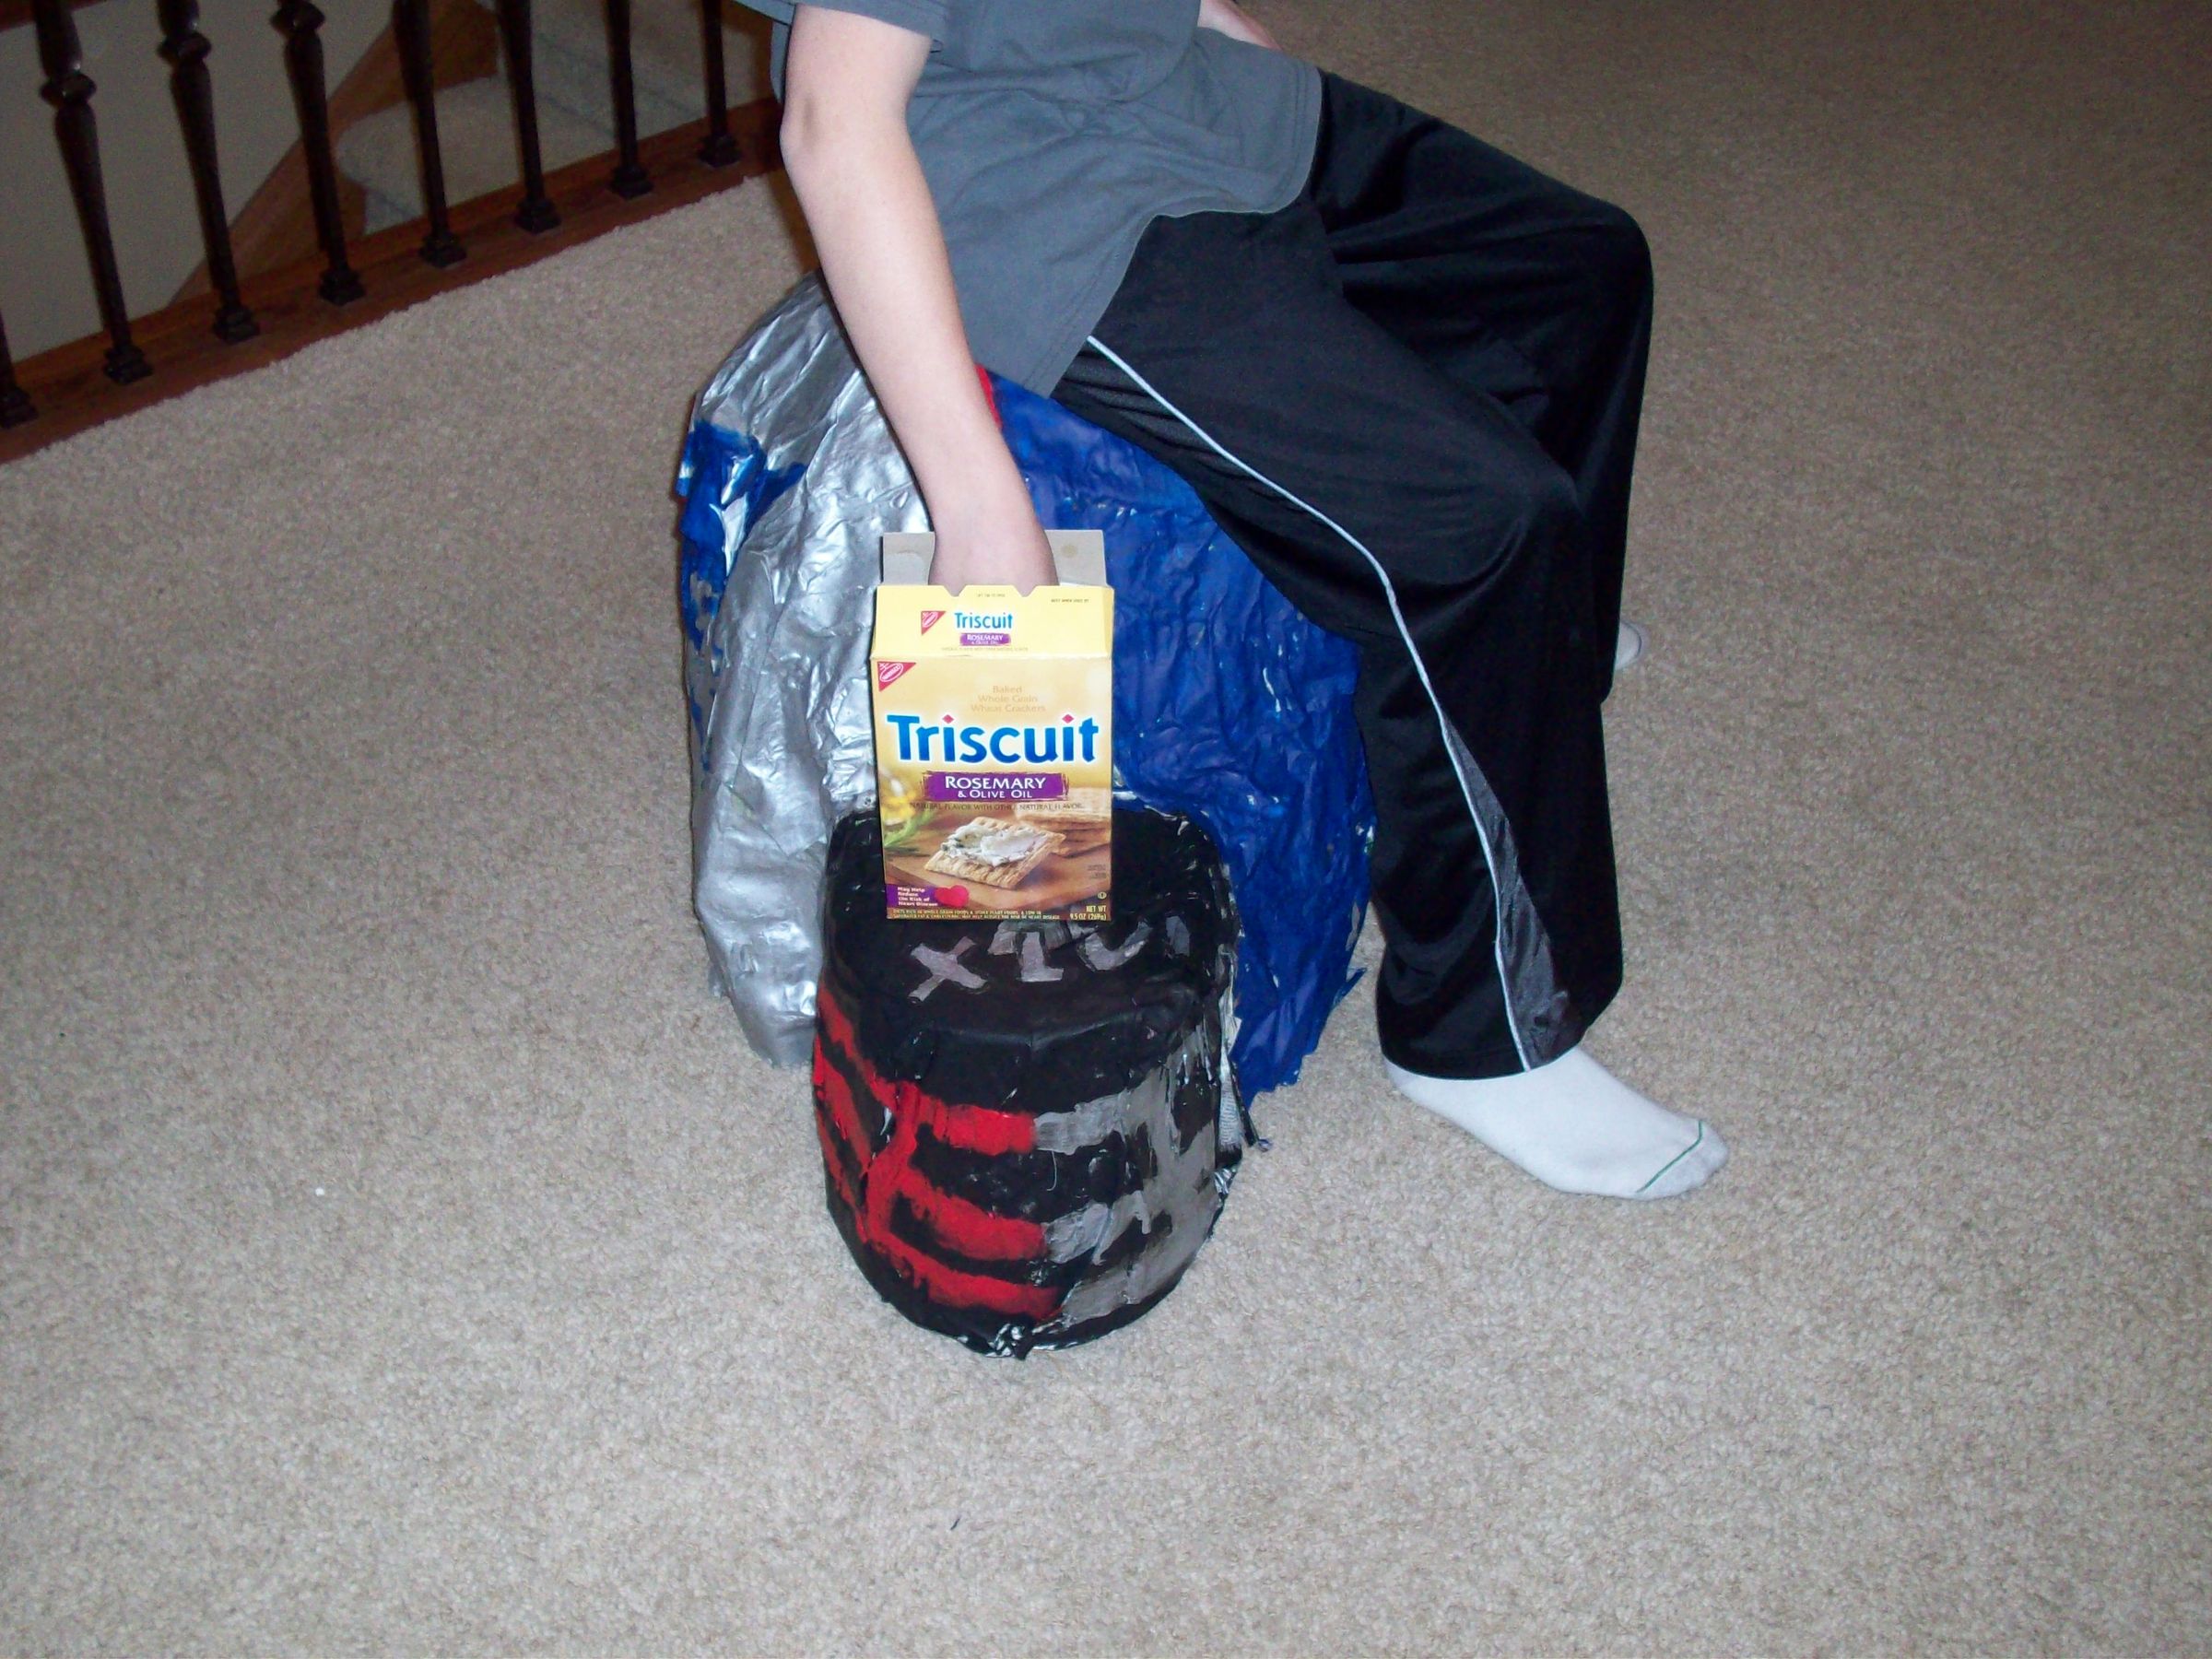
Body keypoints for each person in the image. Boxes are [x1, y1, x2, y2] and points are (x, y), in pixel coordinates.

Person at [743, 0, 1726, 1198]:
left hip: (1172, 90)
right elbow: (834, 124)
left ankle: (1535, 662)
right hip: (1047, 200)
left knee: (1584, 267)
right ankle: (1483, 1042)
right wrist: (977, 501)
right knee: (1482, 528)